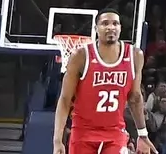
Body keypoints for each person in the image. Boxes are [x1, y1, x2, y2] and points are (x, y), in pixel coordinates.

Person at [54, 11, 153, 154]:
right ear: (95, 29)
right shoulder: (81, 56)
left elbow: (135, 97)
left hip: (114, 133)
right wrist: (57, 140)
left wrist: (142, 134)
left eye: (115, 23)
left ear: (120, 28)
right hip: (83, 132)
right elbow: (65, 100)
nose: (111, 27)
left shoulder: (134, 55)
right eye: (105, 23)